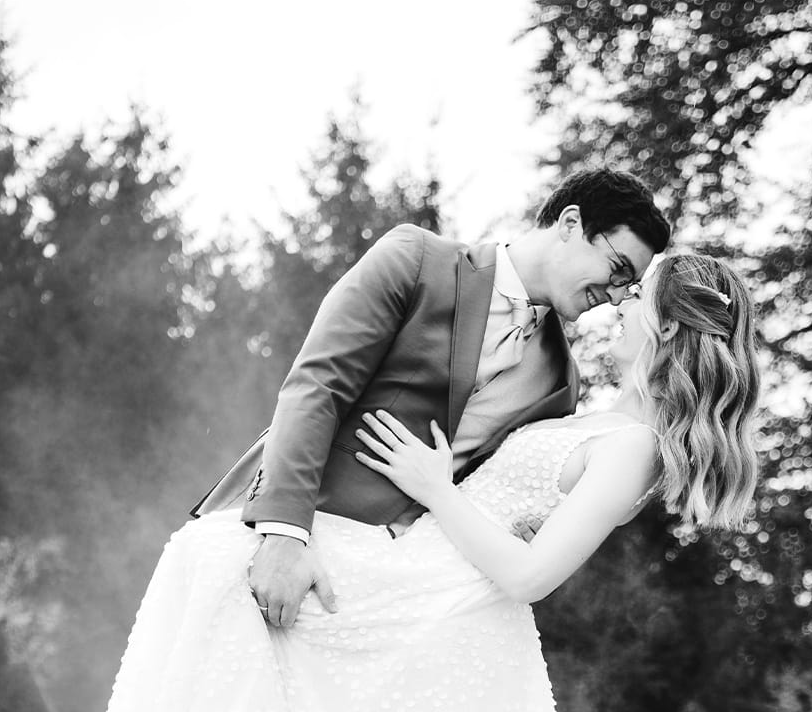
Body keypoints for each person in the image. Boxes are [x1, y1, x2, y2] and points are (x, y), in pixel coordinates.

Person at [67, 252, 760, 712]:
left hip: (443, 611)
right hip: (414, 574)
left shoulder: (636, 448)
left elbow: (531, 577)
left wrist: (435, 488)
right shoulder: (595, 413)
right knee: (222, 581)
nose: (619, 304)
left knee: (227, 575)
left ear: (667, 328)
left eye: (637, 296)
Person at [191, 167, 671, 626]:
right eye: (617, 269)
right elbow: (318, 385)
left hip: (402, 596)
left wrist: (526, 530)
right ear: (570, 224)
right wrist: (284, 534)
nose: (615, 295)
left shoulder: (561, 380)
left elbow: (494, 491)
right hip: (289, 541)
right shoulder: (417, 259)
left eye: (628, 285)